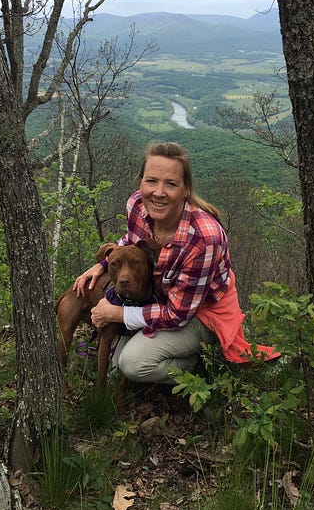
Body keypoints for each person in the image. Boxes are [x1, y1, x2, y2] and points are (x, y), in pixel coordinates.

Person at [73, 142, 280, 385]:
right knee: (117, 364)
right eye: (151, 181)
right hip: (160, 300)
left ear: (186, 189)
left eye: (170, 184)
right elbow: (130, 241)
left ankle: (196, 367)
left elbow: (177, 315)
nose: (158, 192)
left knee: (133, 365)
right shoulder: (137, 205)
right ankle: (161, 352)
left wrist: (117, 313)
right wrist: (103, 264)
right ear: (140, 182)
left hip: (201, 312)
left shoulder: (204, 239)